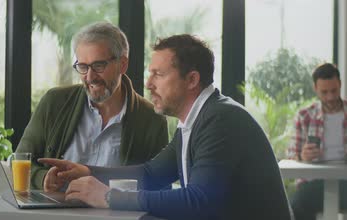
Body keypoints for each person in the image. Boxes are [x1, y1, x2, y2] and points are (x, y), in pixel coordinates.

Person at [38, 34, 292, 220]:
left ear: (192, 79)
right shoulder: (194, 121)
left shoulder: (220, 119)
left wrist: (108, 196)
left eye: (158, 75)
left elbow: (198, 200)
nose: (148, 84)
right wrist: (85, 171)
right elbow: (151, 174)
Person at [15, 22, 168, 190]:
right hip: (54, 212)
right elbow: (20, 160)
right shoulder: (54, 102)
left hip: (114, 215)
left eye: (98, 66)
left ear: (122, 64)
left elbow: (158, 183)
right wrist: (43, 178)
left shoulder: (152, 119)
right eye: (83, 66)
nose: (90, 76)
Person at [288, 63, 347, 220]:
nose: (330, 97)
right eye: (324, 92)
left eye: (334, 90)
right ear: (315, 89)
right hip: (315, 184)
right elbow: (292, 154)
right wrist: (302, 156)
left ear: (340, 84)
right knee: (296, 205)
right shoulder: (304, 116)